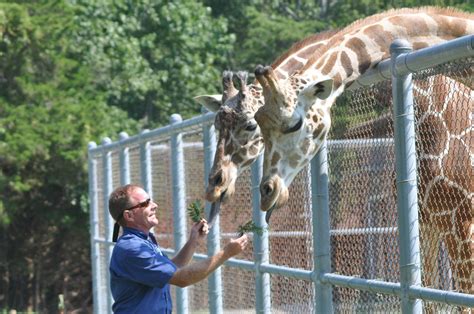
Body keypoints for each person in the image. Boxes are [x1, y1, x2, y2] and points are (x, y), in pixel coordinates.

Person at [107, 184, 249, 313]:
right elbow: (182, 278)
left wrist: (193, 241)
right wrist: (226, 253)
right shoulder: (132, 249)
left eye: (150, 200)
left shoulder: (143, 241)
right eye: (145, 203)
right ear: (129, 215)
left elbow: (173, 268)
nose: (154, 205)